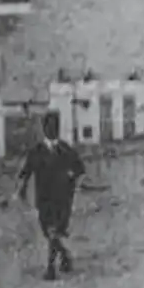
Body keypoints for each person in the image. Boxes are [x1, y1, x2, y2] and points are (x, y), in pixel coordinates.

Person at [16, 110, 85, 279]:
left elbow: (80, 168)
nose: (52, 130)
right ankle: (64, 255)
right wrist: (22, 190)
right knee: (49, 233)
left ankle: (51, 268)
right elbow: (26, 172)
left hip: (62, 198)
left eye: (55, 126)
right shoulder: (37, 151)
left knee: (54, 231)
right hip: (44, 198)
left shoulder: (65, 149)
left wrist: (72, 176)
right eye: (49, 126)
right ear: (44, 129)